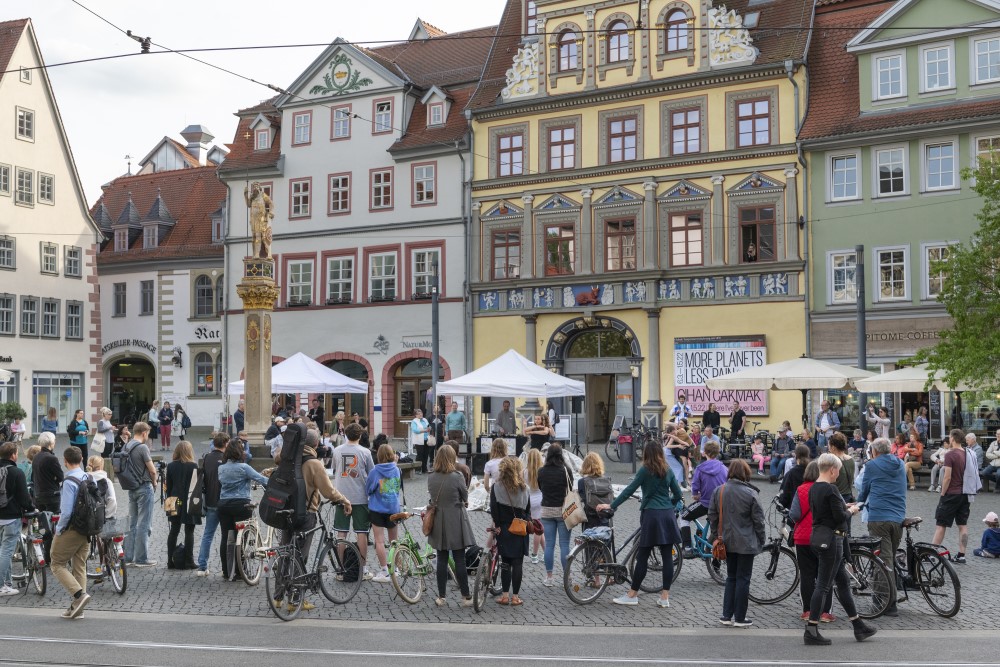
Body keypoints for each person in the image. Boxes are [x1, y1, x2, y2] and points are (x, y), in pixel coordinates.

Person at [272, 427, 351, 611]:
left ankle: (277, 597)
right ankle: (295, 600)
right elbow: (328, 491)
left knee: (285, 553)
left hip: (285, 512)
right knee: (300, 556)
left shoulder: (287, 458)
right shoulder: (314, 463)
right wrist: (345, 501)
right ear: (316, 444)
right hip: (305, 514)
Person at [804, 454, 877, 645]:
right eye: (838, 470)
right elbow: (839, 517)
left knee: (843, 582)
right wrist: (851, 511)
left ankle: (858, 625)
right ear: (832, 470)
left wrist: (843, 505)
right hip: (833, 540)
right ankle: (811, 629)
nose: (839, 474)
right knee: (822, 585)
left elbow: (825, 510)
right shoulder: (831, 489)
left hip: (822, 537)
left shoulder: (814, 488)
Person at [599, 443, 682, 608]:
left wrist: (612, 505)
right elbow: (678, 494)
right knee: (667, 557)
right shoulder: (668, 470)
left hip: (651, 515)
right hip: (667, 515)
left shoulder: (645, 470)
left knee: (642, 556)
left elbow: (629, 490)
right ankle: (665, 597)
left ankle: (632, 594)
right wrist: (669, 504)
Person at [709, 459, 765, 627]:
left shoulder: (719, 490)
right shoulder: (751, 494)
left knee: (731, 578)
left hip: (726, 541)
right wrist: (761, 540)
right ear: (745, 473)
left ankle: (726, 615)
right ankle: (740, 617)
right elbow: (759, 521)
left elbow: (712, 515)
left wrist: (715, 535)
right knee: (743, 579)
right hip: (747, 543)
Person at [855, 437, 906, 616]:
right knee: (888, 556)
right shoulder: (900, 463)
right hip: (898, 517)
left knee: (883, 562)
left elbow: (865, 490)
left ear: (875, 451)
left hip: (879, 517)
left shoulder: (872, 466)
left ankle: (889, 603)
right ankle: (880, 597)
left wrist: (857, 504)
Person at [426, 445, 474, 607]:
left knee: (441, 558)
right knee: (459, 559)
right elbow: (465, 495)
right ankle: (466, 596)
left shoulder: (431, 476)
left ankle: (441, 596)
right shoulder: (457, 476)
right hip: (455, 519)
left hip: (438, 519)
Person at [50, 446, 93, 619]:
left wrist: (59, 530)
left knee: (56, 563)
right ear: (82, 458)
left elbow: (66, 512)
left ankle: (79, 595)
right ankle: (78, 609)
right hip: (88, 528)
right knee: (79, 566)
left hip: (73, 528)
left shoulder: (69, 482)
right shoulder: (89, 477)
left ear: (65, 462)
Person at [789, 461, 834, 622]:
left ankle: (807, 610)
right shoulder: (827, 489)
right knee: (825, 576)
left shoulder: (800, 489)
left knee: (807, 576)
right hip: (823, 537)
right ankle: (825, 612)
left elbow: (794, 515)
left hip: (803, 538)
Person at [217, 438, 267, 578]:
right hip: (241, 504)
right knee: (242, 538)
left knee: (226, 537)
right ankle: (240, 571)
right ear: (239, 452)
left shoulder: (221, 467)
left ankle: (226, 571)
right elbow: (262, 480)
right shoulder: (244, 468)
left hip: (224, 504)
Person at [333, 422, 375, 579]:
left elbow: (336, 469)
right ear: (360, 436)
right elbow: (371, 473)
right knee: (361, 533)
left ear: (346, 435)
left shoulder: (337, 451)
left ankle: (340, 568)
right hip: (360, 497)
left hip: (341, 497)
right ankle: (362, 570)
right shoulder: (365, 452)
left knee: (341, 534)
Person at [490, 456, 531, 606]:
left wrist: (498, 524)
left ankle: (505, 595)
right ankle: (516, 597)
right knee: (518, 563)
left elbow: (494, 509)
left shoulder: (496, 487)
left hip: (504, 528)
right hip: (520, 528)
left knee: (505, 563)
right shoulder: (524, 488)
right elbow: (527, 510)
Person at [932, 429, 972, 563]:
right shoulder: (967, 453)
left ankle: (932, 553)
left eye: (949, 437)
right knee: (962, 524)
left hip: (951, 494)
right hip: (964, 493)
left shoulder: (950, 454)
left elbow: (947, 477)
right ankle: (961, 555)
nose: (949, 439)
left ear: (953, 439)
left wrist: (943, 493)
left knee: (941, 524)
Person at [0, 441, 35, 596]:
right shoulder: (16, 472)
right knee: (6, 551)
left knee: (2, 551)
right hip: (11, 517)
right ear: (13, 455)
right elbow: (24, 498)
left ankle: (7, 583)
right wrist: (32, 508)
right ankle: (1, 586)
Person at [122, 422, 159, 568]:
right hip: (144, 487)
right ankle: (141, 559)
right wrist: (155, 482)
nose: (147, 436)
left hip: (132, 487)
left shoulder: (126, 446)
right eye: (148, 433)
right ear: (144, 432)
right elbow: (152, 470)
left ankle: (128, 557)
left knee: (132, 524)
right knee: (144, 523)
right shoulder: (142, 447)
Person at [537, 443, 573, 587]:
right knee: (565, 545)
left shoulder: (542, 471)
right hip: (564, 511)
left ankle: (549, 577)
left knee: (549, 545)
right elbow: (570, 487)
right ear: (561, 455)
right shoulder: (566, 470)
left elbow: (540, 487)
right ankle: (567, 577)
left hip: (546, 510)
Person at [366, 443, 401, 583]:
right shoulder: (397, 469)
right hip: (393, 508)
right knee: (394, 541)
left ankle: (385, 571)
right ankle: (397, 568)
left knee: (379, 541)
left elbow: (368, 489)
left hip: (377, 509)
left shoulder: (375, 472)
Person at [686, 441, 727, 554]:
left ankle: (687, 547)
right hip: (721, 505)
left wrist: (696, 495)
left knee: (684, 517)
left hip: (706, 504)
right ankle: (705, 539)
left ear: (704, 453)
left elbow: (695, 490)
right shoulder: (724, 468)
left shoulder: (700, 469)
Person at [196, 432, 228, 576]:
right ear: (226, 444)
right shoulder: (226, 459)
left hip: (210, 500)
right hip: (224, 500)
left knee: (208, 534)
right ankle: (226, 568)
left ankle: (202, 566)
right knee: (227, 535)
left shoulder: (206, 457)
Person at [165, 441, 200, 569]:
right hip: (190, 500)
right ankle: (189, 560)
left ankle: (170, 560)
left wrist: (168, 503)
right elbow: (197, 487)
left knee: (174, 530)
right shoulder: (194, 466)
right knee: (189, 531)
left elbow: (168, 487)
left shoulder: (171, 466)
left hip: (173, 499)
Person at [31, 431, 62, 563]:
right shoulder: (51, 458)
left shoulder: (36, 457)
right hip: (51, 496)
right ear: (51, 443)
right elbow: (60, 476)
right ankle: (49, 556)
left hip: (39, 495)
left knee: (42, 525)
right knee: (52, 526)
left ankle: (41, 552)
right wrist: (54, 478)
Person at [578, 452, 612, 530]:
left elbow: (582, 498)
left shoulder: (582, 481)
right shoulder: (607, 480)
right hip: (604, 516)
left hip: (590, 518)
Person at [524, 448, 545, 564]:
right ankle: (535, 554)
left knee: (539, 528)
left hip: (528, 499)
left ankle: (545, 552)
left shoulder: (524, 472)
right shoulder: (542, 471)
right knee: (539, 529)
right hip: (540, 499)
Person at [778, 445, 812, 509]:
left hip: (794, 508)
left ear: (796, 455)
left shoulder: (791, 473)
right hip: (809, 508)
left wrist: (781, 503)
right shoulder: (812, 471)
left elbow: (784, 492)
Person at [829, 433, 856, 503]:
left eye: (829, 445)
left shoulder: (832, 461)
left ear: (833, 447)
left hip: (836, 497)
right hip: (849, 497)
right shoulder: (851, 460)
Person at [410, 408, 431, 473]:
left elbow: (428, 426)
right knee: (420, 455)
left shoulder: (425, 420)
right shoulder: (414, 421)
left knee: (426, 454)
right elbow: (415, 430)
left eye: (421, 413)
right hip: (418, 440)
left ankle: (424, 469)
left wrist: (430, 428)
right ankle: (417, 469)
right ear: (415, 415)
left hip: (426, 439)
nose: (420, 415)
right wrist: (424, 430)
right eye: (418, 414)